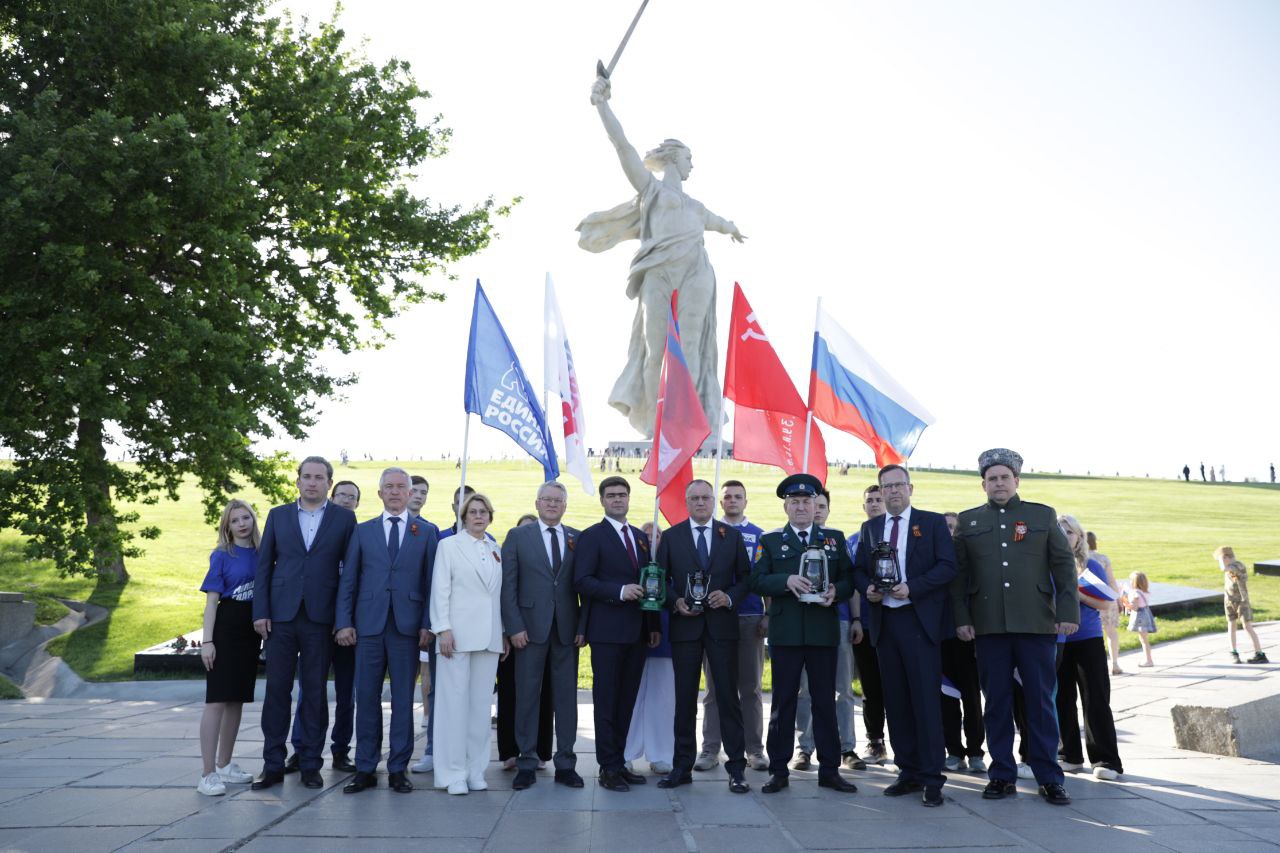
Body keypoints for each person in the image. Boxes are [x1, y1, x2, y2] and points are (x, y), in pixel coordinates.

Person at [578, 73, 745, 436]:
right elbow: (623, 146)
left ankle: (689, 426)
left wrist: (731, 228)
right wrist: (602, 105)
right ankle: (658, 428)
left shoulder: (696, 207)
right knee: (656, 351)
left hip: (696, 271)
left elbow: (719, 222)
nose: (692, 165)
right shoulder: (651, 191)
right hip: (658, 271)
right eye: (688, 158)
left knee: (691, 347)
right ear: (674, 159)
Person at [951, 448, 1078, 807]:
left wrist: (1067, 612)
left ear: (1017, 480)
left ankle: (1049, 777)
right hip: (989, 627)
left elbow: (1063, 566)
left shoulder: (1041, 515)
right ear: (983, 485)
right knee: (996, 704)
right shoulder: (969, 521)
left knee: (1040, 703)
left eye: (1005, 477)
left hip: (1036, 623)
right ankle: (1002, 775)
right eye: (992, 478)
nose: (999, 483)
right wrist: (962, 618)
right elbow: (959, 578)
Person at [852, 465, 957, 807]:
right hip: (885, 623)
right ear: (880, 491)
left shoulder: (931, 523)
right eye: (887, 486)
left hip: (918, 621)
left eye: (899, 485)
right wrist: (867, 588)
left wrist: (913, 588)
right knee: (895, 702)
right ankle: (908, 771)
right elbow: (858, 569)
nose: (893, 491)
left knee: (925, 702)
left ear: (910, 488)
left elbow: (947, 567)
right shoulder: (870, 528)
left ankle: (932, 778)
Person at [251, 456, 357, 791]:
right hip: (280, 618)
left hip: (320, 619)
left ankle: (311, 764)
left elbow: (350, 573)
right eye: (306, 477)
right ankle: (272, 764)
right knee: (276, 691)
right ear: (297, 481)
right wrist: (260, 612)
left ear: (329, 483)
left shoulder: (344, 518)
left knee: (314, 692)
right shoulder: (278, 515)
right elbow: (264, 566)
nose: (312, 482)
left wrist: (343, 619)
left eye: (319, 477)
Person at [750, 473, 857, 794]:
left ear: (815, 505)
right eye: (794, 502)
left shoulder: (833, 539)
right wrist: (785, 581)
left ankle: (829, 770)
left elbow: (850, 580)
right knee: (783, 703)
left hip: (823, 633)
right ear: (786, 507)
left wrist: (836, 591)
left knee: (824, 702)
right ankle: (778, 771)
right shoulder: (770, 540)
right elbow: (756, 580)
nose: (800, 507)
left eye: (806, 501)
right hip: (786, 635)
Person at [335, 468, 437, 794]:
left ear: (410, 493)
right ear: (380, 493)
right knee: (366, 697)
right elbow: (349, 580)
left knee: (404, 700)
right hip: (368, 626)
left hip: (408, 628)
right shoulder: (363, 531)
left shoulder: (427, 532)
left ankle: (397, 769)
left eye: (400, 487)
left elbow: (431, 583)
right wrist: (344, 621)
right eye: (388, 487)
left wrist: (428, 624)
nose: (394, 492)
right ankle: (365, 767)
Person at [656, 480, 752, 793]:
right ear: (686, 502)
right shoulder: (672, 537)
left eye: (705, 498)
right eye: (694, 498)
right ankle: (681, 767)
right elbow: (660, 579)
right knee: (685, 700)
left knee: (728, 698)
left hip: (722, 628)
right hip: (685, 628)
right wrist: (675, 602)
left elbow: (746, 578)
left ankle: (736, 769)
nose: (700, 503)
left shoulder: (731, 536)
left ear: (713, 502)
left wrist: (729, 596)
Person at [573, 476, 660, 792]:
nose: (617, 499)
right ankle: (607, 767)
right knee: (607, 702)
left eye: (622, 494)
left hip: (637, 633)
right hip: (607, 633)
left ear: (629, 498)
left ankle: (620, 762)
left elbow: (650, 582)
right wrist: (619, 591)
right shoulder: (591, 537)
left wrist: (653, 625)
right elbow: (581, 581)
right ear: (602, 500)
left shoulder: (639, 537)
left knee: (626, 702)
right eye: (611, 495)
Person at [502, 482, 587, 791]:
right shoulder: (518, 536)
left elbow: (584, 586)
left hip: (567, 632)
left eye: (558, 500)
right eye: (546, 500)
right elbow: (508, 586)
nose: (552, 504)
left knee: (566, 699)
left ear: (565, 505)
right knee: (527, 696)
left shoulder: (577, 538)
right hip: (529, 630)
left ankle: (566, 763)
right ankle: (526, 762)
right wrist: (514, 627)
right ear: (537, 503)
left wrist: (582, 627)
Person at [429, 492, 508, 795]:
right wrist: (443, 629)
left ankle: (475, 770)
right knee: (453, 707)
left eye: (483, 512)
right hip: (456, 638)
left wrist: (502, 632)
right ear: (463, 517)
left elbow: (497, 595)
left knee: (479, 709)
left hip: (489, 638)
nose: (478, 516)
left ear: (490, 516)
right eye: (473, 512)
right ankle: (452, 774)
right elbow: (440, 589)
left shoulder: (495, 548)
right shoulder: (448, 546)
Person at [283, 479, 363, 775]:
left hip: (347, 627)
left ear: (357, 503)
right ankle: (301, 747)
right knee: (309, 689)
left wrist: (347, 622)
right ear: (332, 496)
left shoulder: (359, 535)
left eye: (352, 497)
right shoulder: (318, 532)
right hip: (315, 623)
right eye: (341, 495)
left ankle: (341, 749)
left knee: (346, 692)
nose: (346, 500)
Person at [697, 480, 768, 772]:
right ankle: (710, 749)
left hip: (750, 618)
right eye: (727, 497)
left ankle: (754, 750)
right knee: (714, 688)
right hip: (715, 618)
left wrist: (767, 614)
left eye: (738, 496)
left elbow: (764, 577)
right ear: (720, 502)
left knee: (750, 688)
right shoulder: (709, 532)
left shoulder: (760, 536)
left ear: (746, 502)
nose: (733, 501)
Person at [791, 489, 863, 773]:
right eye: (813, 505)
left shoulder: (836, 540)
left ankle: (847, 747)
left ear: (827, 510)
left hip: (838, 620)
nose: (817, 510)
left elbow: (850, 582)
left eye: (821, 506)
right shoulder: (794, 541)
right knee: (806, 689)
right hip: (806, 624)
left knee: (842, 688)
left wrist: (856, 618)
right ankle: (805, 748)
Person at [197, 499, 263, 795]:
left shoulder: (263, 553)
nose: (241, 524)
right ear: (227, 526)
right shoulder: (222, 555)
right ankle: (207, 773)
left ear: (253, 519)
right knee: (216, 701)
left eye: (245, 517)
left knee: (237, 699)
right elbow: (211, 603)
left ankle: (225, 764)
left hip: (251, 632)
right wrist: (207, 641)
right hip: (225, 629)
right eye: (235, 520)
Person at [1056, 516, 1123, 781]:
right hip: (1057, 640)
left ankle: (1106, 760)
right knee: (1062, 699)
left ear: (1079, 537)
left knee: (1095, 699)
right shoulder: (1046, 564)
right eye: (1059, 531)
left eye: (1069, 532)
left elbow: (1105, 604)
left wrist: (1077, 592)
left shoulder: (1090, 565)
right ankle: (1069, 756)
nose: (1064, 536)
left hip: (1088, 639)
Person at [624, 524, 675, 779]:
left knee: (663, 699)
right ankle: (625, 754)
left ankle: (661, 754)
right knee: (629, 699)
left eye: (657, 535)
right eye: (645, 534)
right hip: (632, 635)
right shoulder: (630, 559)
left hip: (665, 636)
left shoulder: (671, 562)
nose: (651, 539)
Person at [940, 511, 986, 775]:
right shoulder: (935, 559)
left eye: (953, 527)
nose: (949, 531)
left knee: (971, 697)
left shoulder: (970, 560)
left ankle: (976, 751)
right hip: (942, 637)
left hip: (968, 637)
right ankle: (954, 751)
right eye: (945, 527)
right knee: (947, 696)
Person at [850, 485, 890, 767]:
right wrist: (855, 619)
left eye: (879, 499)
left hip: (897, 622)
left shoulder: (899, 536)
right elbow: (854, 583)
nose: (874, 504)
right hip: (866, 622)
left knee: (898, 684)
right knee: (871, 685)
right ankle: (875, 741)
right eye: (870, 501)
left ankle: (905, 741)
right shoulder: (855, 540)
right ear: (863, 506)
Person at [1214, 546, 1269, 663]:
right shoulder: (1230, 566)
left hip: (1241, 601)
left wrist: (1221, 560)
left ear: (1226, 558)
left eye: (1221, 559)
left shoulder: (1238, 565)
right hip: (1229, 600)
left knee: (1247, 626)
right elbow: (1231, 578)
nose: (1220, 562)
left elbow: (1225, 569)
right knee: (1231, 625)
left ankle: (1260, 654)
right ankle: (1233, 652)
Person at [1086, 531, 1124, 676]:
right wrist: (1118, 599)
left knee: (1093, 635)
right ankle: (1115, 663)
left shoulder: (1080, 558)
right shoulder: (1103, 558)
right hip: (1106, 598)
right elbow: (1111, 581)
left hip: (1089, 599)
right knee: (1111, 632)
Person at [1123, 571, 1157, 666]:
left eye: (1130, 580)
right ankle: (1148, 659)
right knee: (1144, 639)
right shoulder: (1144, 592)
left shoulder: (1135, 593)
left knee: (1144, 640)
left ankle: (1148, 660)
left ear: (1135, 582)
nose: (1129, 582)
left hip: (1140, 617)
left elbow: (1135, 607)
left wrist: (1126, 603)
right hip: (1146, 614)